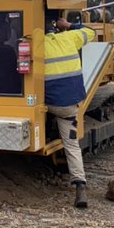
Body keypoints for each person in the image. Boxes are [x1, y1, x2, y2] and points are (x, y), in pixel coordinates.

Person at [44, 12, 97, 209]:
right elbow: (91, 32)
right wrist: (68, 25)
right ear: (56, 25)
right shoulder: (70, 37)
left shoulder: (36, 43)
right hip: (69, 107)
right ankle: (80, 186)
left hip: (47, 104)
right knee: (72, 144)